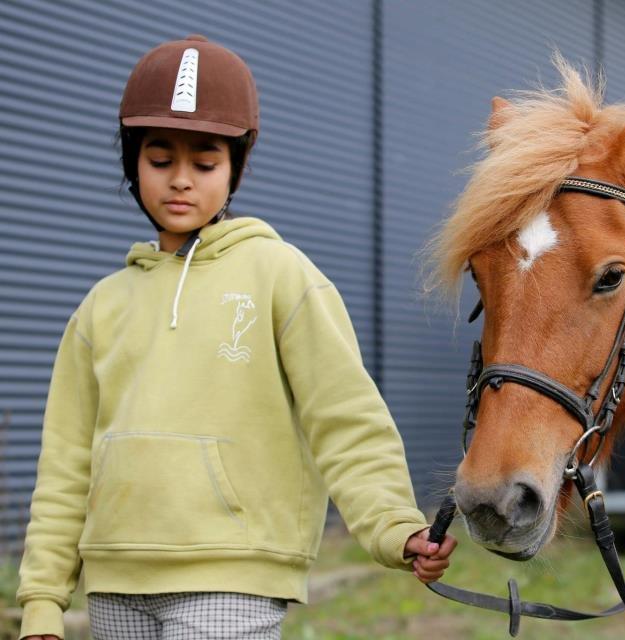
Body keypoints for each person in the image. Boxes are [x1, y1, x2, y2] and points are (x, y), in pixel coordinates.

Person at [15, 34, 455, 640]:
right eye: (160, 158)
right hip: (115, 581)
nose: (181, 181)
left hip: (234, 580)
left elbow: (344, 413)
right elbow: (64, 461)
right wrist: (42, 601)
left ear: (236, 166)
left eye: (205, 162)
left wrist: (393, 525)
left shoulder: (281, 276)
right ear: (131, 162)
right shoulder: (100, 308)